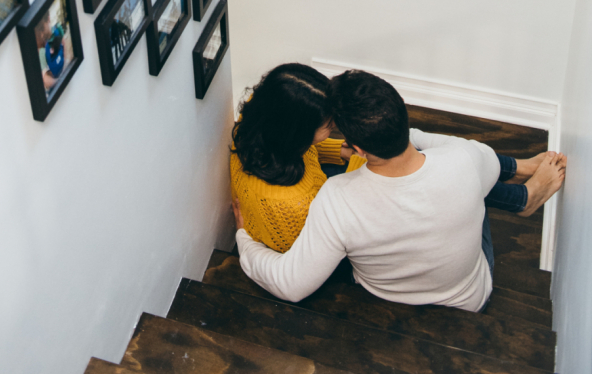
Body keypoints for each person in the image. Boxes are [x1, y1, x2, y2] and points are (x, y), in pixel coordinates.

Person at [234, 70, 566, 311]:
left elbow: (290, 285)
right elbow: (473, 155)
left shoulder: (335, 199)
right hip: (469, 297)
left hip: (385, 296)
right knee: (470, 179)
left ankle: (524, 185)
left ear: (357, 148)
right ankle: (524, 194)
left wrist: (244, 241)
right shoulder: (464, 159)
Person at [230, 64, 365, 253]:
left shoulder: (258, 119)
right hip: (311, 242)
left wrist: (339, 151)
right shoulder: (293, 206)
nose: (335, 126)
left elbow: (305, 151)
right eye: (329, 126)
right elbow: (324, 242)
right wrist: (359, 166)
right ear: (298, 135)